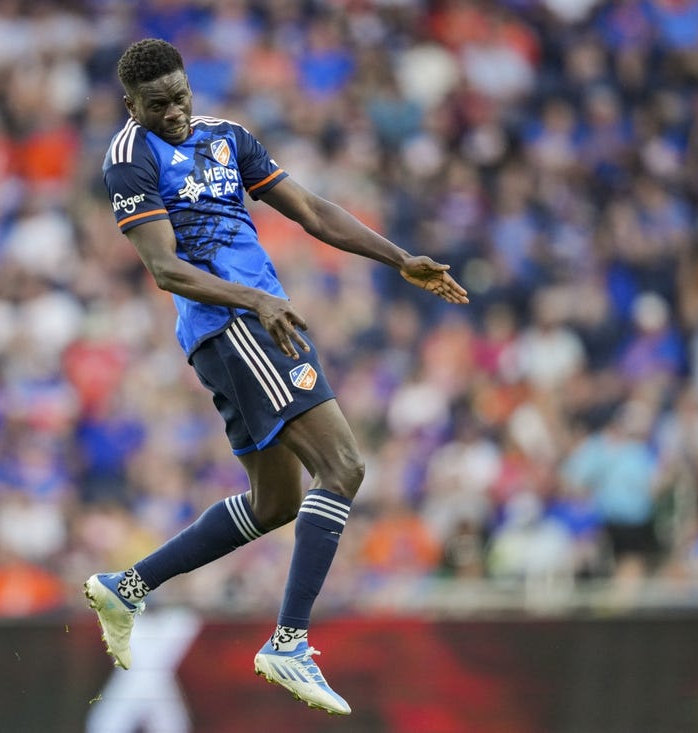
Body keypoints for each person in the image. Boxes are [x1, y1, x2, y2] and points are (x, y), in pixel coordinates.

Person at [83, 38, 468, 716]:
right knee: (344, 467)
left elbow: (313, 211)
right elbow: (166, 269)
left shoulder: (228, 139)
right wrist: (256, 301)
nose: (174, 112)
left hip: (255, 323)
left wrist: (399, 257)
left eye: (181, 96)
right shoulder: (129, 159)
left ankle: (129, 587)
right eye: (157, 104)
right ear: (130, 105)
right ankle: (288, 642)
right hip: (234, 327)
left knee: (275, 503)